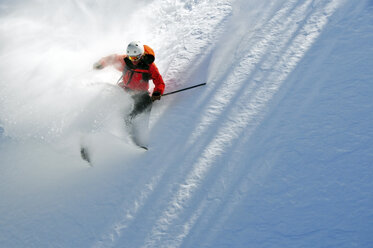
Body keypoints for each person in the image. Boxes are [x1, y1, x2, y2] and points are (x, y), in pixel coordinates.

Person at [93, 41, 165, 147]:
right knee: (112, 104)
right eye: (131, 57)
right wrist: (101, 63)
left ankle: (130, 134)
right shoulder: (125, 60)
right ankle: (97, 130)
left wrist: (158, 92)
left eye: (136, 58)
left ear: (141, 55)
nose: (133, 60)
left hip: (141, 94)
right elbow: (112, 58)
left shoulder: (149, 66)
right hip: (125, 89)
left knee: (140, 107)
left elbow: (159, 81)